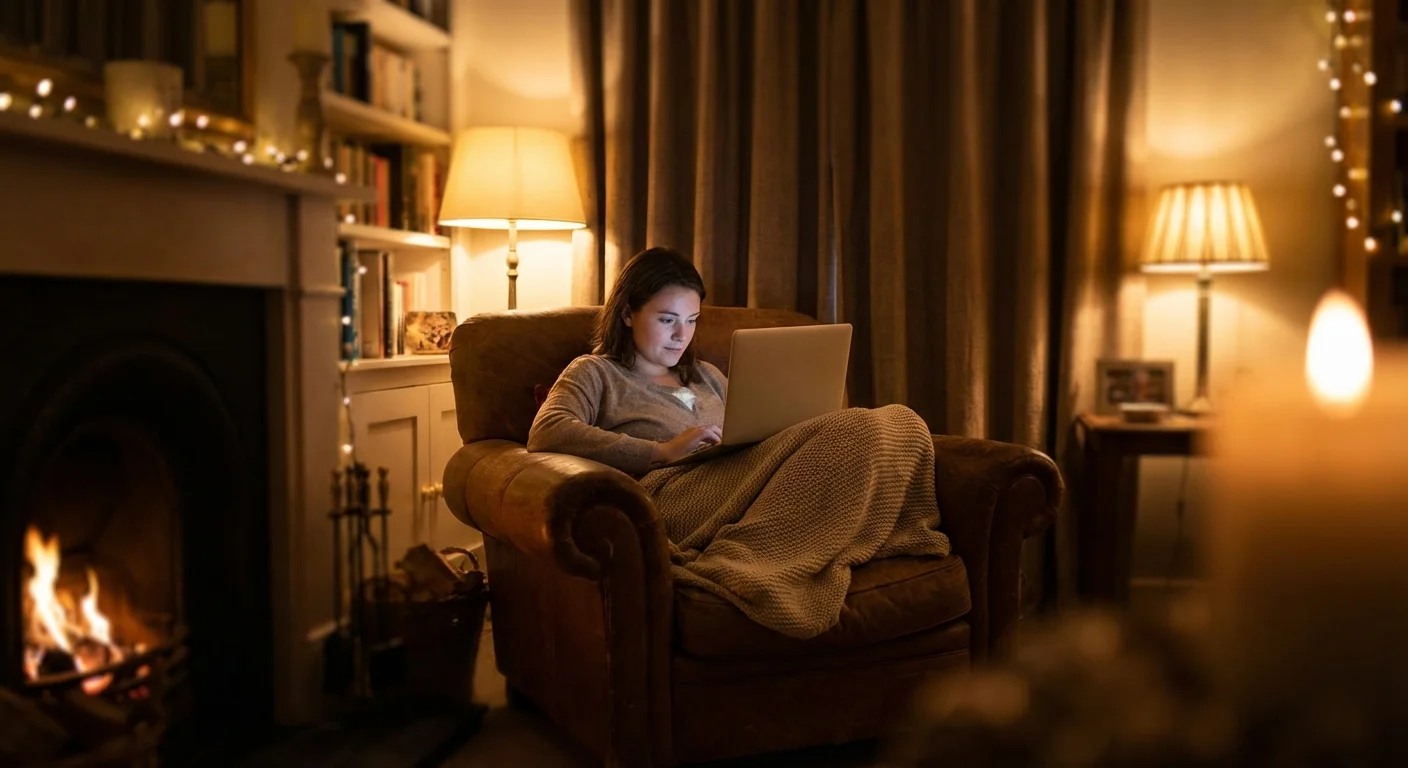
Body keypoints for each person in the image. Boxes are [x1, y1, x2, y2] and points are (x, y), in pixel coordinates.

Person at [528, 246, 951, 640]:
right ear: (627, 314)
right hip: (677, 492)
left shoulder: (707, 375)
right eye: (666, 319)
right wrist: (659, 451)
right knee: (864, 425)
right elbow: (547, 430)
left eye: (691, 321)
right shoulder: (595, 372)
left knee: (899, 420)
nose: (681, 335)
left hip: (746, 480)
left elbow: (751, 431)